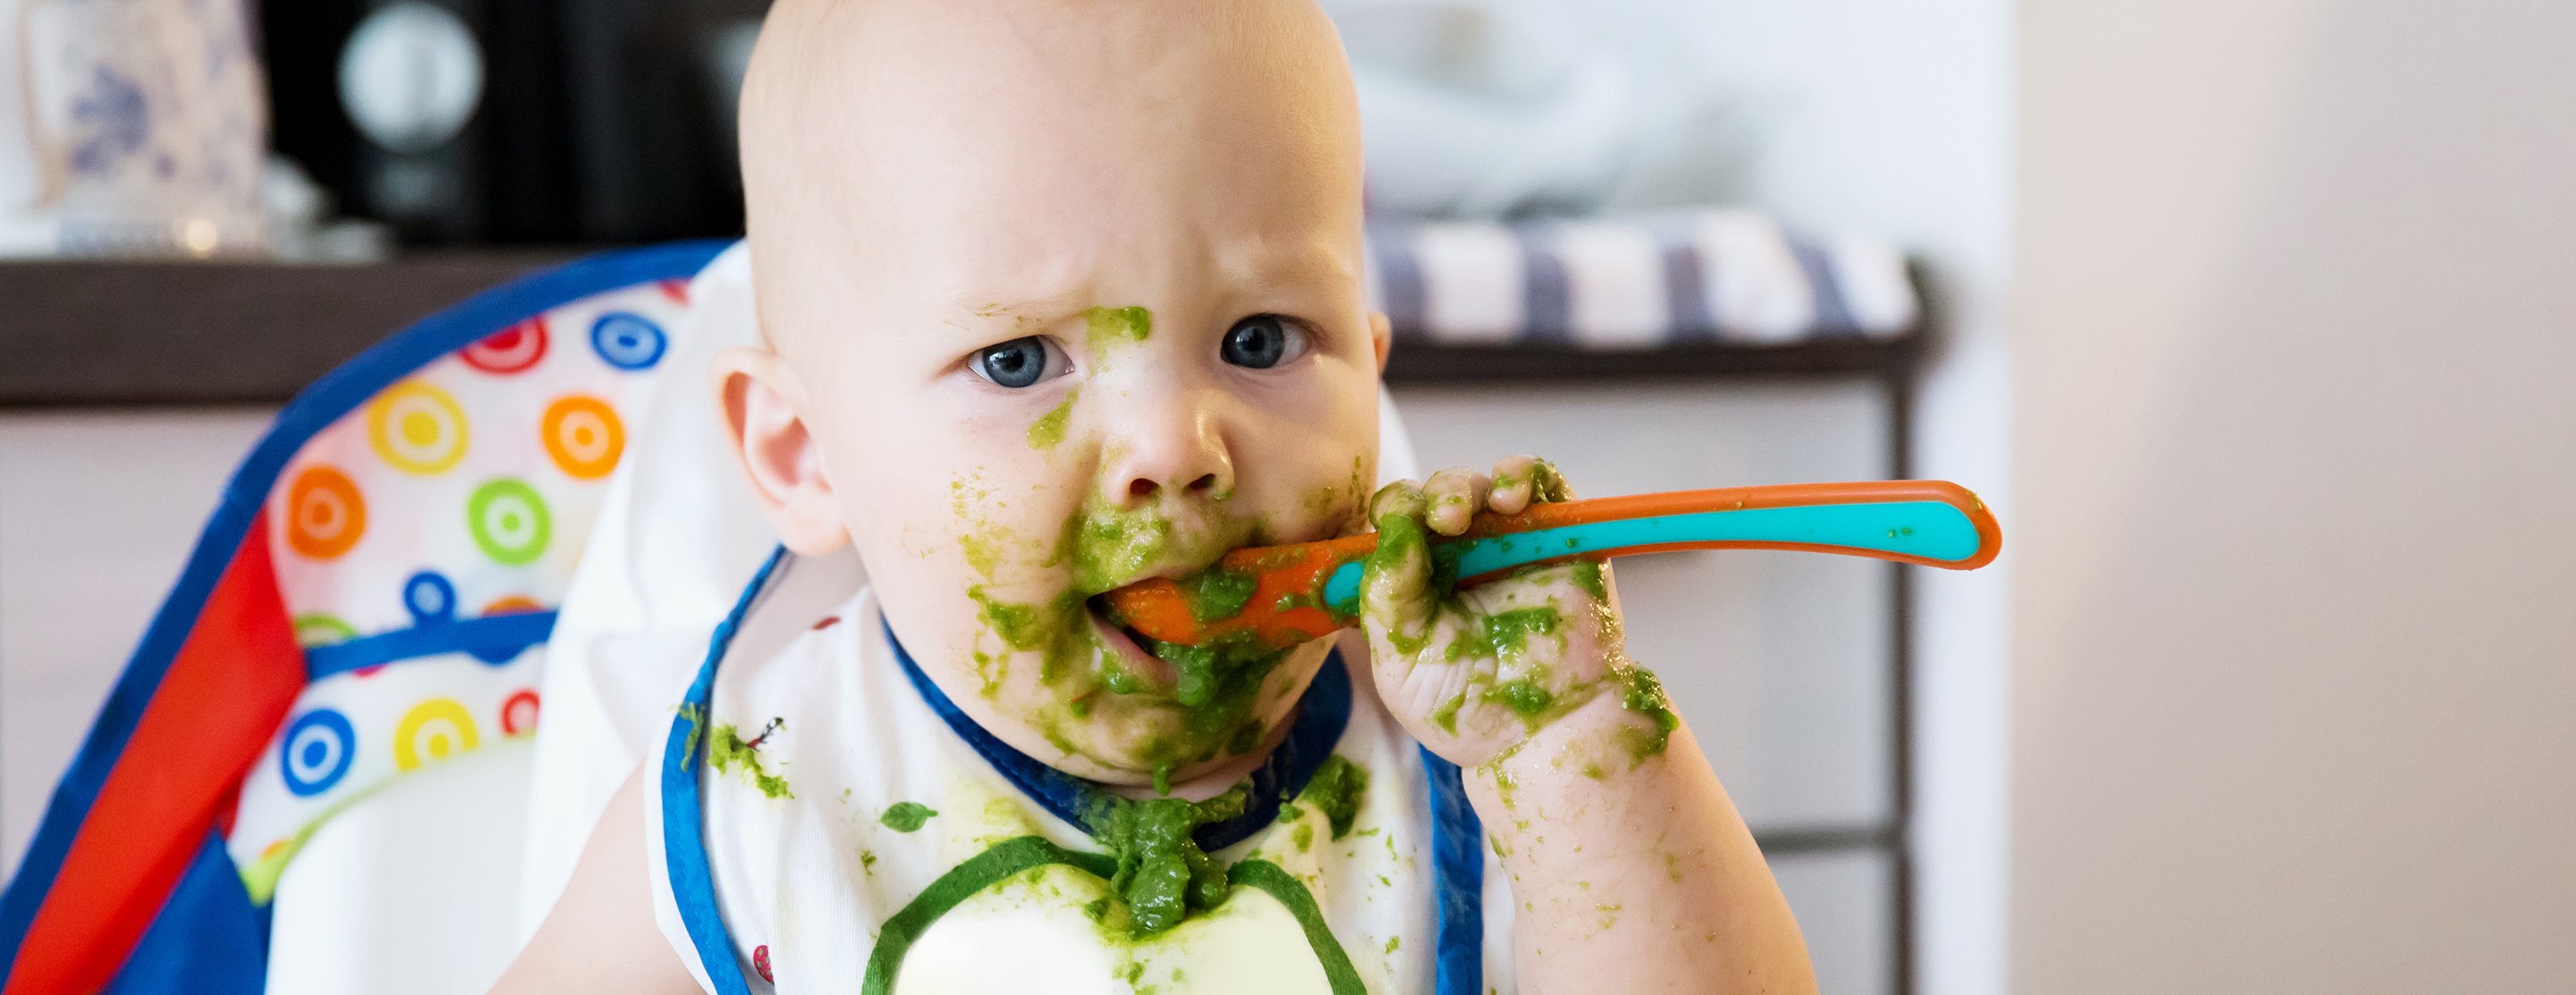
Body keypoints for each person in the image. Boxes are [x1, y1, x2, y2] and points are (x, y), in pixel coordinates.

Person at [493, 1, 1815, 991]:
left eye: (1259, 341)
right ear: (802, 455)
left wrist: (1572, 743)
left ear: (1371, 366)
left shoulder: (1470, 762)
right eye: (1018, 361)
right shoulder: (768, 791)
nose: (1174, 446)